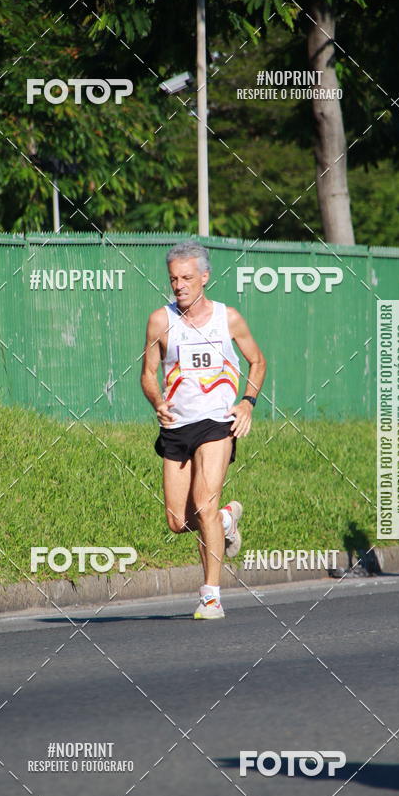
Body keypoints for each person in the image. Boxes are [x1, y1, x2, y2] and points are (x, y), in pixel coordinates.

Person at [141, 241, 266, 619]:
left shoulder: (228, 318)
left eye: (187, 278)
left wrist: (247, 402)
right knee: (178, 521)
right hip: (177, 426)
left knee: (204, 505)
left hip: (216, 423)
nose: (179, 286)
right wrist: (157, 402)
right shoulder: (161, 320)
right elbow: (148, 374)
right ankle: (227, 521)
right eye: (174, 279)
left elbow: (257, 361)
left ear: (205, 277)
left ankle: (210, 596)